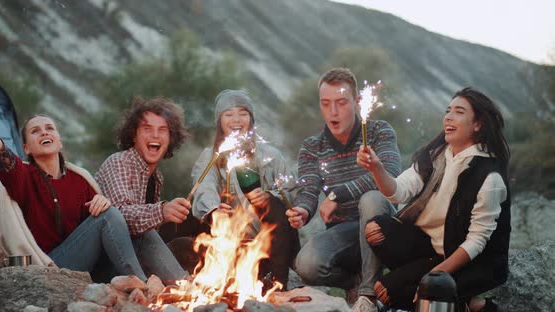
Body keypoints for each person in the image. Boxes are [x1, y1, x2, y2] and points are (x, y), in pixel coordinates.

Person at [357, 87, 510, 312]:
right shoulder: (435, 156)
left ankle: (478, 306)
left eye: (459, 112)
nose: (448, 116)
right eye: (448, 110)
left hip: (470, 262)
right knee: (376, 230)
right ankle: (463, 300)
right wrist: (377, 168)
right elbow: (398, 191)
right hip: (429, 248)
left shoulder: (489, 176)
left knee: (387, 292)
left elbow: (476, 242)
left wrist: (435, 276)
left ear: (478, 124)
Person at [0, 114, 148, 280]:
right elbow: (7, 163)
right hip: (51, 267)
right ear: (26, 148)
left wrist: (104, 203)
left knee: (144, 234)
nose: (44, 133)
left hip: (90, 264)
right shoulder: (23, 176)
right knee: (111, 216)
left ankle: (173, 290)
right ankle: (143, 286)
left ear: (59, 141)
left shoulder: (79, 179)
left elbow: (97, 226)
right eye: (35, 131)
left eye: (49, 128)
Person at [286, 68, 401, 312]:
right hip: (343, 233)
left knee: (371, 199)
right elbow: (308, 189)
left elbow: (390, 174)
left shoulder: (379, 131)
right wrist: (302, 210)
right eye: (326, 104)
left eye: (341, 102)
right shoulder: (312, 146)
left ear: (357, 102)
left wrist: (337, 194)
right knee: (306, 264)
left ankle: (368, 296)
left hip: (383, 227)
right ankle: (356, 283)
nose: (333, 112)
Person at [191, 89, 300, 288]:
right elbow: (203, 188)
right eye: (228, 114)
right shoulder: (210, 157)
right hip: (230, 244)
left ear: (251, 119)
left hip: (270, 243)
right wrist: (214, 209)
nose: (236, 120)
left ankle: (279, 283)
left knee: (274, 205)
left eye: (242, 113)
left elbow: (291, 189)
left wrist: (270, 196)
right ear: (219, 121)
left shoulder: (270, 155)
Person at [95, 96, 190, 281]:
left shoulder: (156, 177)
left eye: (163, 130)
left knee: (186, 243)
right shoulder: (119, 162)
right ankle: (180, 286)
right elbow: (120, 217)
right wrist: (162, 210)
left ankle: (187, 290)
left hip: (131, 260)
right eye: (147, 129)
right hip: (102, 261)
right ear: (133, 134)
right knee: (145, 234)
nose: (155, 135)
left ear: (171, 138)